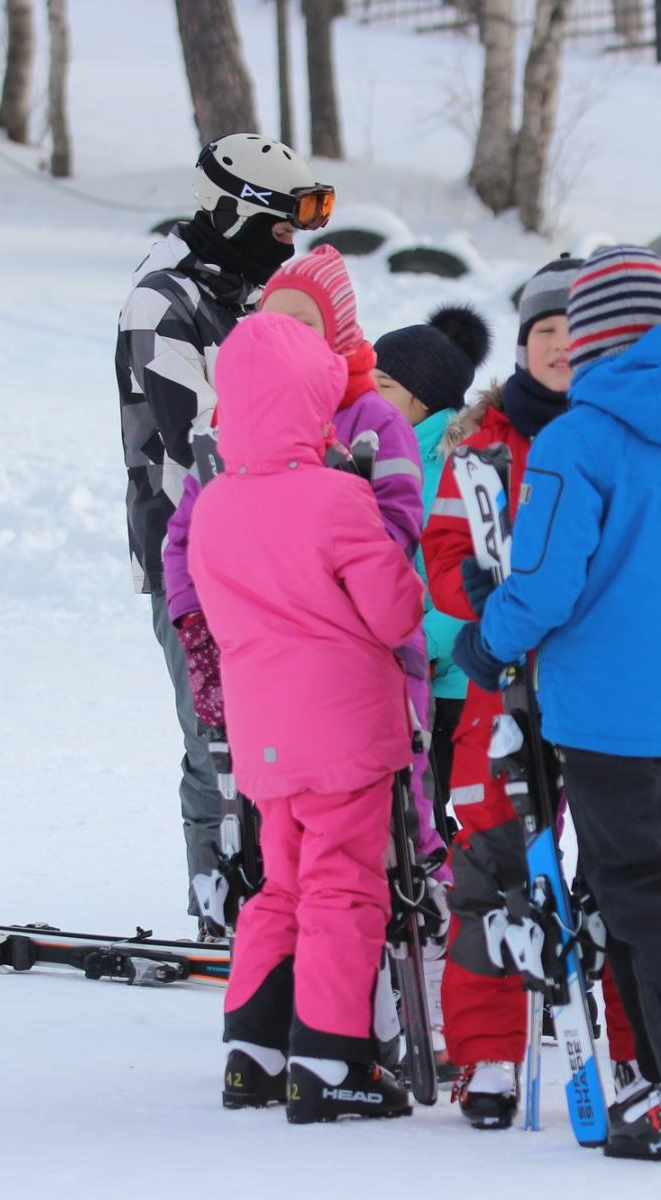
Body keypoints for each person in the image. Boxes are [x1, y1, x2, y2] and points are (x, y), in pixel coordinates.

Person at [451, 246, 661, 1164]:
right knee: (646, 885)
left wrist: (489, 633)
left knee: (645, 890)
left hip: (603, 704)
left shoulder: (576, 439)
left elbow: (547, 584)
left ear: (593, 336)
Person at [421, 257, 639, 1131]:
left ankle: (628, 1041)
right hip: (501, 694)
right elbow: (441, 552)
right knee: (492, 871)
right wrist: (481, 602)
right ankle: (487, 1056)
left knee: (621, 871)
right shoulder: (483, 438)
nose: (557, 347)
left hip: (601, 687)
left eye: (570, 332)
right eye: (541, 332)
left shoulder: (614, 430)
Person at [192, 311, 425, 1122]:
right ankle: (330, 1057)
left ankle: (251, 1052)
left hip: (265, 734)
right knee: (343, 888)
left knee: (279, 886)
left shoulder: (215, 504)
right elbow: (395, 610)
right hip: (344, 735)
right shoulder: (336, 499)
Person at [161, 245, 445, 877]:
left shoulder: (372, 419)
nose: (287, 336)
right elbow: (185, 536)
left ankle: (413, 878)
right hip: (265, 646)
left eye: (306, 323)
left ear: (338, 333)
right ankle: (289, 898)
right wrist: (195, 621)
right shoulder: (230, 426)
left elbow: (398, 525)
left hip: (364, 643)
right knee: (274, 788)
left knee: (396, 776)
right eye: (275, 320)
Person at [116, 132, 325, 931]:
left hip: (267, 550)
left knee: (274, 732)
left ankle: (277, 894)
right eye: (280, 229)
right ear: (235, 213)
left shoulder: (245, 293)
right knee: (217, 734)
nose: (290, 245)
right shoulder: (161, 302)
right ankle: (222, 902)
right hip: (191, 552)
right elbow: (197, 436)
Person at [371, 305, 495, 842]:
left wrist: (431, 641)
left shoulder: (456, 455)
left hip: (454, 675)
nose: (370, 398)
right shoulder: (383, 452)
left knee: (464, 805)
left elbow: (468, 562)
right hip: (406, 666)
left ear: (424, 397)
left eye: (385, 386)